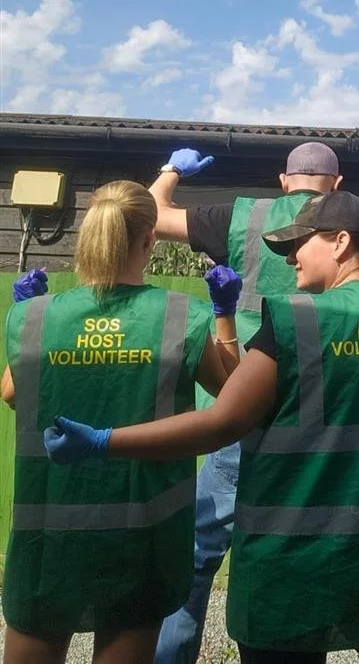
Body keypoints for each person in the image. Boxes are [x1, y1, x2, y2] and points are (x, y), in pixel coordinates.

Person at [44, 190, 359, 664]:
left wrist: (106, 442)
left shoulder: (293, 321)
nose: (290, 257)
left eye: (299, 243)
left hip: (294, 569)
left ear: (341, 242)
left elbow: (220, 422)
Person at [1, 180, 241, 664]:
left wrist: (29, 314)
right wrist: (224, 317)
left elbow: (10, 393)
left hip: (48, 538)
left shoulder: (35, 317)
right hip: (139, 538)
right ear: (151, 239)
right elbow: (232, 401)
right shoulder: (181, 316)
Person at [148, 142, 342, 662]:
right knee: (307, 550)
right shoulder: (353, 222)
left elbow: (147, 215)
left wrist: (170, 172)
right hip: (324, 415)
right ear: (337, 184)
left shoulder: (242, 217)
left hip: (247, 405)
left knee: (194, 558)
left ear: (284, 180)